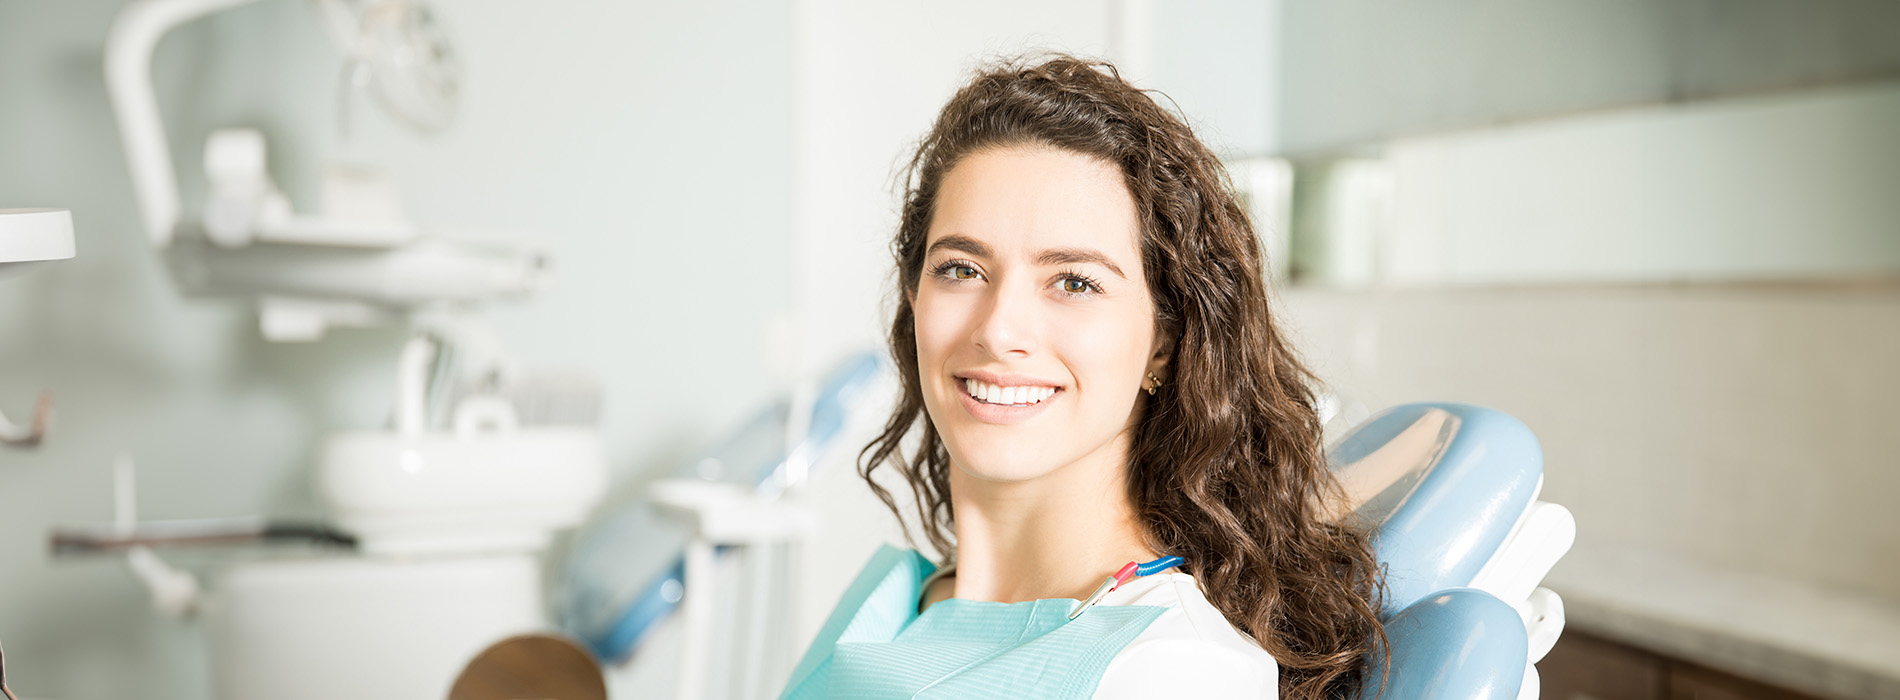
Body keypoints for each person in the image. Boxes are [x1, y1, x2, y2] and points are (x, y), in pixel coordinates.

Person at [781, 54, 1385, 700]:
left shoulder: (1172, 669)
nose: (998, 330)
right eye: (961, 269)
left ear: (1165, 340)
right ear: (913, 296)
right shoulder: (895, 604)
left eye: (1074, 282)